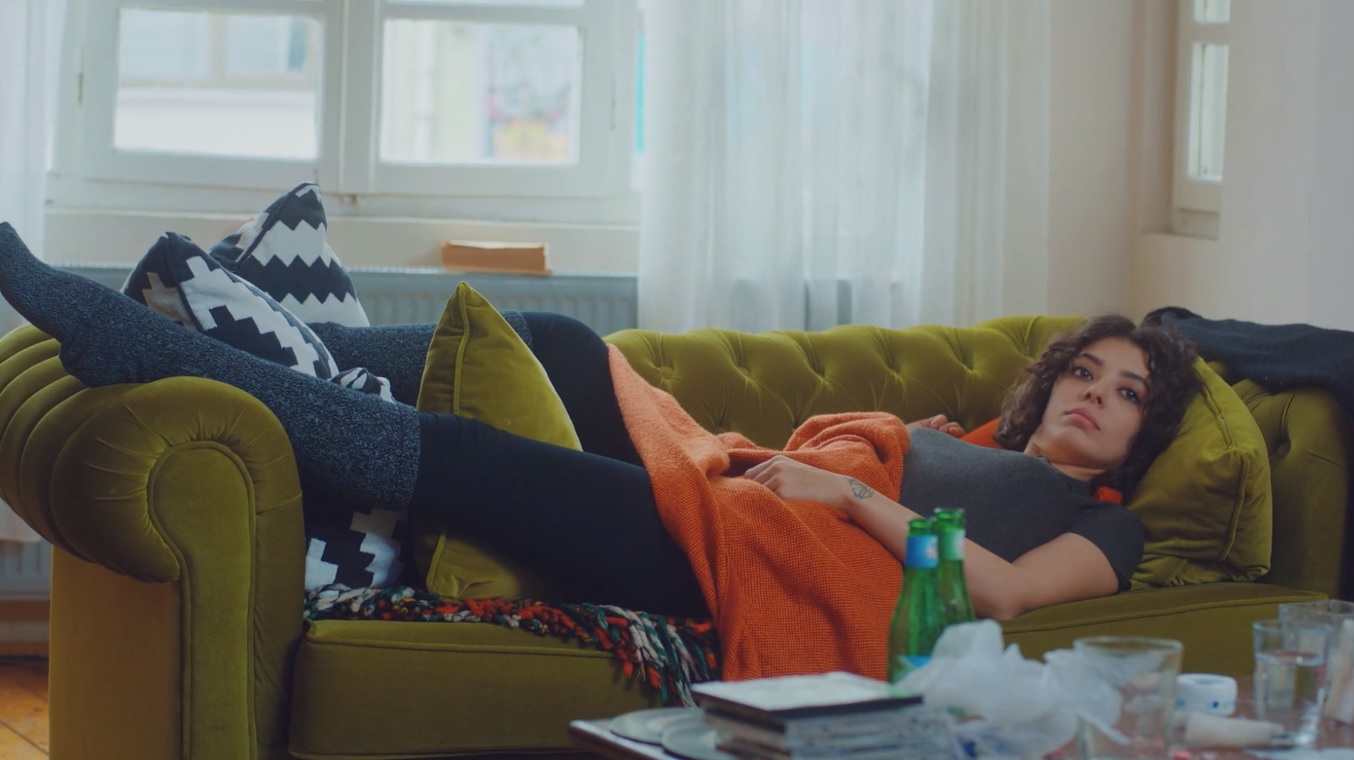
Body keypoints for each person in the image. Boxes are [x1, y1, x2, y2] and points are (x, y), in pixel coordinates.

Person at [0, 223, 1199, 630]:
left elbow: (1004, 595)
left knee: (476, 463)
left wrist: (852, 492)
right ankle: (240, 356)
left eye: (1127, 393)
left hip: (748, 563)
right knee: (565, 345)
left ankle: (144, 343)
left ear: (1141, 441)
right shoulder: (979, 442)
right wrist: (890, 453)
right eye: (1084, 370)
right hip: (735, 498)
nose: (1094, 393)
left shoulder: (1103, 523)